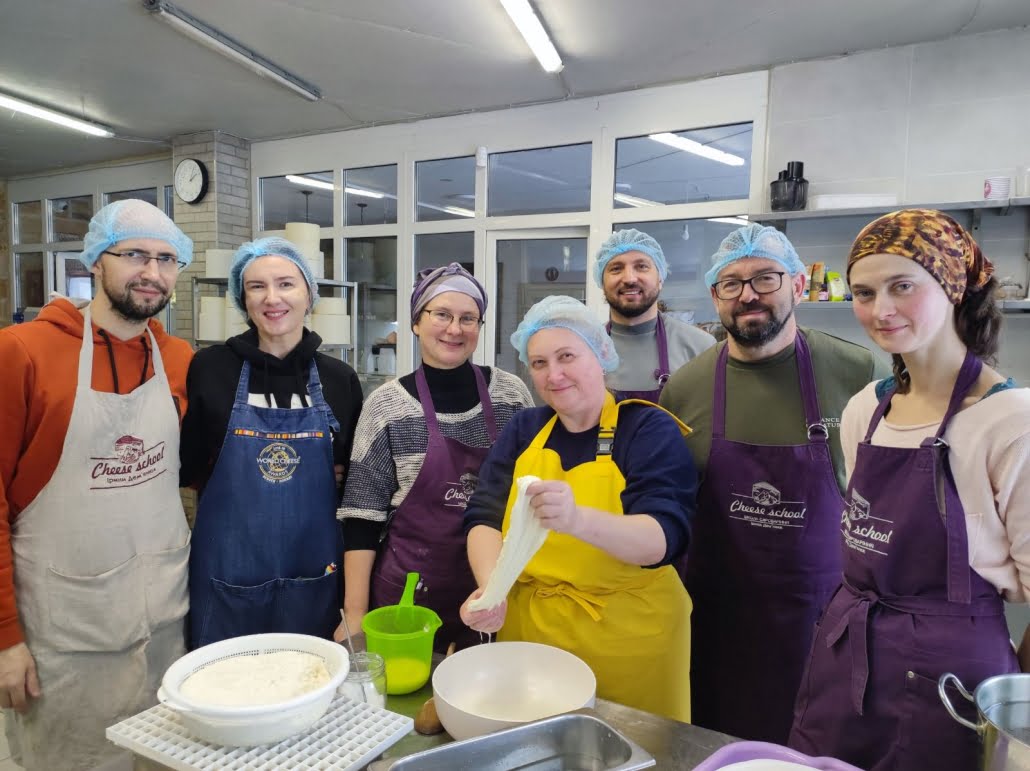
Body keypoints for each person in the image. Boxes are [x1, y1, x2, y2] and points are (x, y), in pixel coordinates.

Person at [788, 209, 1030, 771]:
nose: (881, 310)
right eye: (864, 293)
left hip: (953, 680)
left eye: (903, 286)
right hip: (846, 656)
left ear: (954, 288)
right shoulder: (865, 409)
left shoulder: (1010, 422)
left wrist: (1015, 707)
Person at [660, 223, 889, 743]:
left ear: (798, 285)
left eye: (765, 278)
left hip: (821, 625)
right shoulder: (686, 387)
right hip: (715, 627)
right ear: (715, 296)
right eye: (731, 283)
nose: (748, 295)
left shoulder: (858, 373)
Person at [0, 199, 194, 771]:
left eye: (166, 259)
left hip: (163, 624)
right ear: (95, 259)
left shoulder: (178, 358)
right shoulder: (21, 352)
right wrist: (5, 637)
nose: (151, 273)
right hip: (65, 638)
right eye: (133, 254)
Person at [461, 295, 697, 722]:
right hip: (532, 633)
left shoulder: (646, 428)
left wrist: (576, 520)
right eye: (539, 363)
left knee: (634, 746)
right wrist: (492, 592)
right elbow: (484, 515)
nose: (553, 375)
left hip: (630, 638)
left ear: (601, 355)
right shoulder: (525, 429)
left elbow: (663, 539)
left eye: (566, 356)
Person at [336, 263, 533, 652]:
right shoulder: (386, 405)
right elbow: (361, 516)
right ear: (416, 322)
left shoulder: (511, 395)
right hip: (409, 595)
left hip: (494, 595)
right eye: (441, 314)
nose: (454, 329)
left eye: (468, 318)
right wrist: (354, 614)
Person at [181, 237, 362, 648]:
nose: (272, 298)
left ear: (309, 295)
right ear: (242, 299)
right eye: (257, 286)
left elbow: (355, 478)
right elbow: (187, 464)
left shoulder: (339, 378)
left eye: (285, 284)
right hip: (226, 576)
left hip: (314, 575)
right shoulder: (209, 368)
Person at [595, 229, 716, 401]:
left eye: (641, 266)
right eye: (616, 269)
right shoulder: (585, 347)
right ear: (602, 282)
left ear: (660, 279)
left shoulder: (701, 347)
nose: (629, 278)